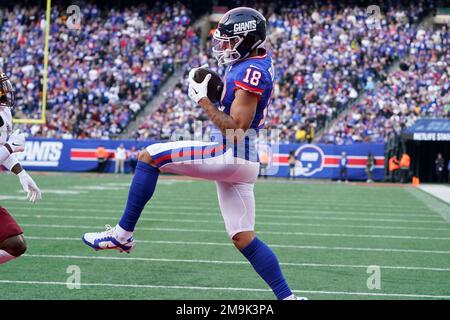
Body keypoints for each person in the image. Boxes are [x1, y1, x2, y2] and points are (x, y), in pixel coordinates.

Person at [82, 7, 305, 301]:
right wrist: (216, 93)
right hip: (243, 161)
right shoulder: (253, 60)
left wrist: (202, 100)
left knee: (150, 156)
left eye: (229, 40)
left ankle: (121, 236)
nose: (223, 45)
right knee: (243, 237)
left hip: (229, 152)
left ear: (247, 38)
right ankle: (287, 298)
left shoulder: (252, 71)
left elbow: (236, 126)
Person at [0, 72, 42, 265]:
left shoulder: (3, 112)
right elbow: (6, 148)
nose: (5, 92)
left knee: (15, 244)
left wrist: (21, 173)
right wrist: (10, 146)